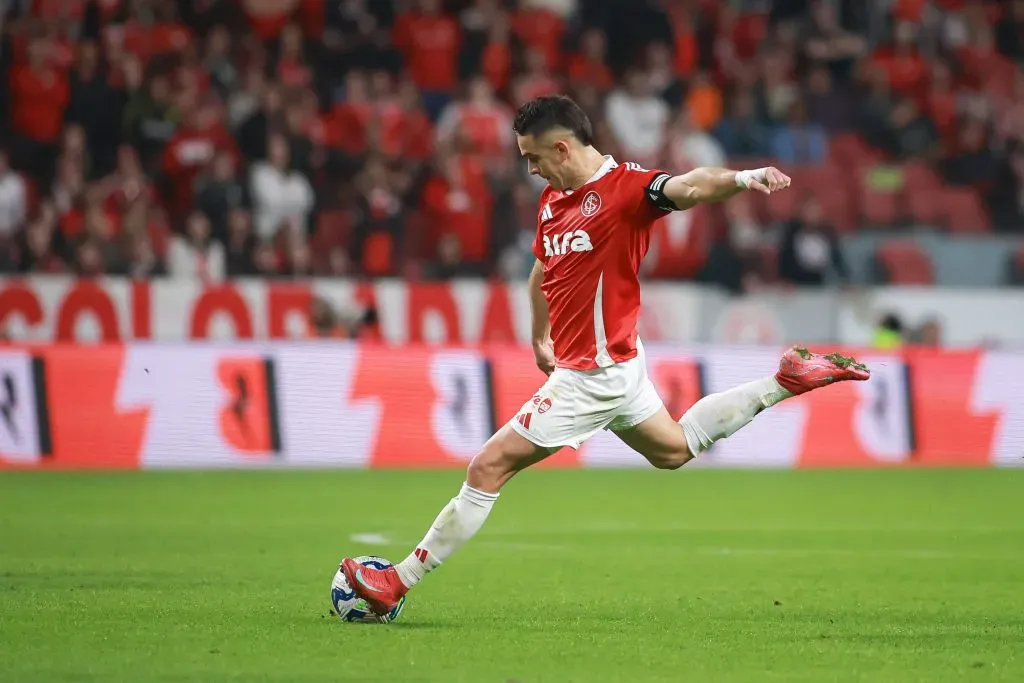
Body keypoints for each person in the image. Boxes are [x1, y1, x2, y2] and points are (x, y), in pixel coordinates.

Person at [338, 96, 870, 615]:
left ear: (563, 148)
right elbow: (542, 268)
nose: (530, 169)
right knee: (674, 449)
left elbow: (689, 184)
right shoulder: (554, 200)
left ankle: (396, 582)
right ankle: (784, 381)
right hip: (619, 363)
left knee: (488, 466)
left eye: (534, 157)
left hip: (593, 375)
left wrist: (742, 177)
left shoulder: (626, 191)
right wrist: (539, 335)